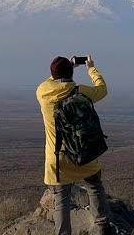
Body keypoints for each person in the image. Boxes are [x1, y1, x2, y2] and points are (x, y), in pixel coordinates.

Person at [37, 55, 110, 235]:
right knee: (94, 186)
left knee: (61, 199)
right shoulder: (81, 91)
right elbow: (102, 89)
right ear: (70, 73)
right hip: (84, 153)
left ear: (52, 74)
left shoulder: (43, 92)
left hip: (58, 158)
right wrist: (91, 68)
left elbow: (51, 79)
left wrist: (67, 68)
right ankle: (101, 226)